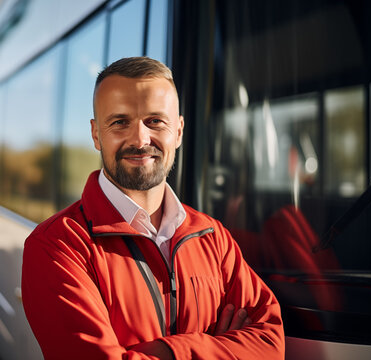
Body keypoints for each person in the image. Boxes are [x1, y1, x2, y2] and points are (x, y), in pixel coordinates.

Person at [21, 57, 285, 359]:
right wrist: (221, 347)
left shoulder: (213, 236)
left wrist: (166, 351)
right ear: (96, 134)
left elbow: (271, 343)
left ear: (179, 131)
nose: (140, 139)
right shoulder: (57, 246)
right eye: (120, 122)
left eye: (155, 121)